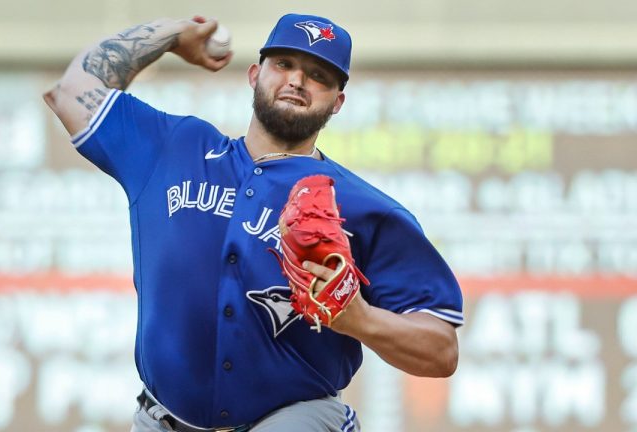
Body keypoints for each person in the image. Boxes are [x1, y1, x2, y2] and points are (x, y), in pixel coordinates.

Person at [44, 13, 463, 432]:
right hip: (162, 419)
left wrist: (361, 320)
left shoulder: (361, 207)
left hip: (294, 417)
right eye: (284, 64)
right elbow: (74, 92)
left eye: (318, 75)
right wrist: (171, 35)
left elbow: (441, 350)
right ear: (254, 74)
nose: (297, 80)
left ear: (338, 102)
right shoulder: (175, 149)